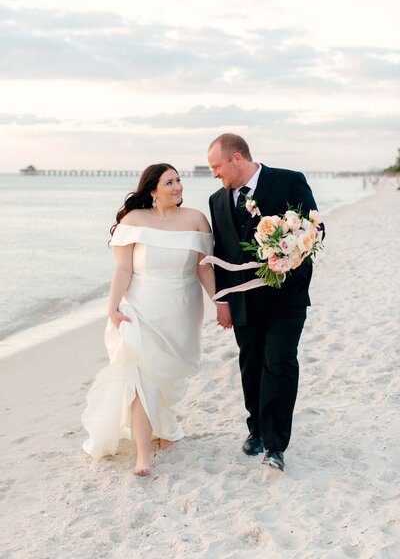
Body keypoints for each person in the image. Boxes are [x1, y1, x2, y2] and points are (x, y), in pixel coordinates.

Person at [81, 164, 215, 476]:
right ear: (153, 190)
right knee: (141, 378)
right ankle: (143, 455)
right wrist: (113, 307)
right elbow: (123, 269)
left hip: (182, 310)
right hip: (140, 309)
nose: (178, 186)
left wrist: (220, 302)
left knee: (166, 377)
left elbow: (203, 268)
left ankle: (165, 428)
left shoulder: (196, 219)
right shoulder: (134, 221)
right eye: (170, 182)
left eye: (179, 180)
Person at [207, 133, 324, 472]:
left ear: (237, 159)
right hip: (243, 301)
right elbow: (222, 254)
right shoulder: (217, 200)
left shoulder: (288, 181)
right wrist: (222, 301)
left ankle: (275, 445)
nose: (214, 173)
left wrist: (288, 253)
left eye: (217, 166)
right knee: (251, 364)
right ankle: (256, 429)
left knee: (280, 363)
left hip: (286, 297)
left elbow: (316, 229)